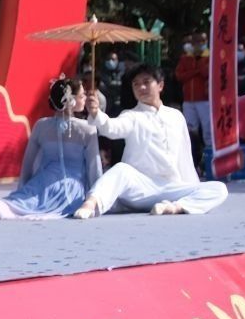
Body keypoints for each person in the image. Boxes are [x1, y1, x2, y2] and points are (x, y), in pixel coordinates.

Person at [73, 64, 229, 217]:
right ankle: (91, 204)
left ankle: (175, 207)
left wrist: (192, 187)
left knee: (219, 189)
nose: (141, 87)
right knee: (121, 170)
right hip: (141, 188)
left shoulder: (176, 116)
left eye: (146, 82)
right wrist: (96, 113)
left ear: (160, 85)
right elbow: (112, 128)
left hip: (171, 188)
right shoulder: (131, 116)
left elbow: (184, 157)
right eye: (136, 84)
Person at [0, 77, 101, 220]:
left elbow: (28, 163)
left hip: (42, 181)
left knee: (18, 202)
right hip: (71, 188)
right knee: (37, 203)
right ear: (71, 101)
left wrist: (23, 188)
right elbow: (94, 169)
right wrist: (96, 197)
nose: (85, 98)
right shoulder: (88, 129)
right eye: (82, 95)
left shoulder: (41, 126)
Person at [173, 32, 210, 171]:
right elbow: (179, 76)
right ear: (192, 43)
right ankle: (192, 163)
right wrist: (196, 71)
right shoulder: (185, 58)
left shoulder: (209, 56)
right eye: (197, 41)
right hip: (189, 101)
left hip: (205, 100)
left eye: (203, 41)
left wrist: (194, 68)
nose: (200, 44)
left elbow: (206, 72)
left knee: (208, 132)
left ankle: (209, 162)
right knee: (189, 132)